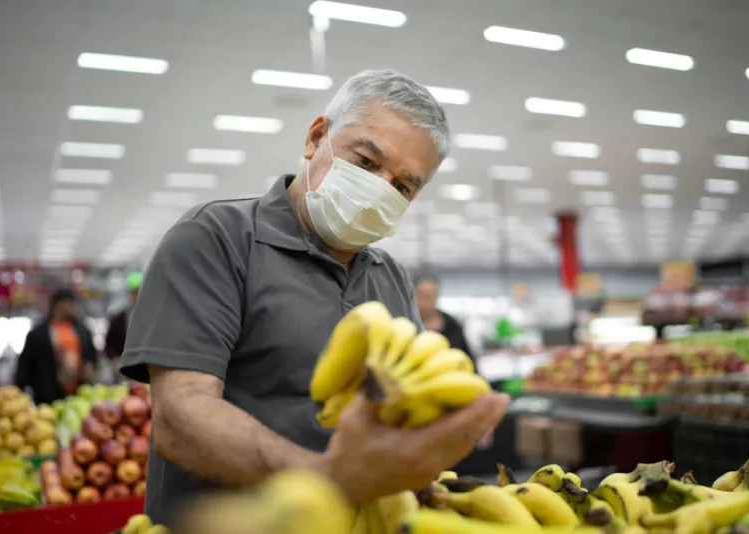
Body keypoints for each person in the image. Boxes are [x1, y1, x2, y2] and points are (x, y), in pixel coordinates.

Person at [119, 69, 509, 524]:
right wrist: (327, 479)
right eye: (366, 162)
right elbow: (181, 418)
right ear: (316, 137)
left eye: (402, 186)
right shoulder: (214, 239)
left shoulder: (392, 279)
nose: (378, 190)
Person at [15, 288, 98, 404]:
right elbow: (25, 364)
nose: (73, 307)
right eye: (70, 303)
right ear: (58, 305)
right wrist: (22, 390)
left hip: (79, 395)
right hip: (47, 395)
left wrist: (90, 368)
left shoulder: (82, 331)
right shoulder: (39, 333)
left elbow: (92, 356)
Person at [414, 274, 477, 364]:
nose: (426, 302)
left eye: (430, 296)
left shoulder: (453, 326)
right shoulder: (407, 326)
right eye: (422, 296)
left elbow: (468, 359)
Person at [104, 271, 143, 362]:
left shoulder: (154, 318)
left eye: (139, 292)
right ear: (130, 293)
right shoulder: (118, 320)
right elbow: (109, 346)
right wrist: (115, 359)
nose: (137, 296)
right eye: (134, 292)